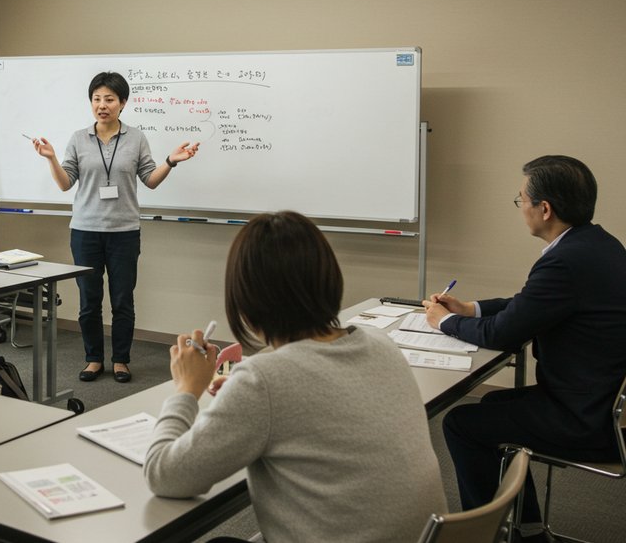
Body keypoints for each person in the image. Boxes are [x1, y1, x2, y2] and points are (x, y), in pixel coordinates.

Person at [145, 211, 445, 543]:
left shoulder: (264, 381)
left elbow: (165, 475)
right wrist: (250, 393)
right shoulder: (379, 341)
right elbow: (317, 394)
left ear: (246, 301)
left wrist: (186, 389)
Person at [424, 155, 626, 542]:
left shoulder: (565, 262)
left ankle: (489, 535)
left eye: (522, 201)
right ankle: (526, 528)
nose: (522, 210)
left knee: (460, 425)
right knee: (489, 407)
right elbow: (528, 304)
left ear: (544, 208)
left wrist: (443, 322)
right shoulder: (597, 245)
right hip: (598, 400)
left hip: (585, 418)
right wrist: (471, 309)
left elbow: (503, 334)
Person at [32, 71, 199, 383]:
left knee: (123, 300)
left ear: (123, 103)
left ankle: (121, 360)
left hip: (123, 232)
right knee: (88, 301)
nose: (102, 105)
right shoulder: (79, 139)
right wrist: (51, 158)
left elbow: (150, 179)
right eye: (96, 99)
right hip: (85, 231)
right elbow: (66, 183)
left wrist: (171, 161)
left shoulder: (135, 138)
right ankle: (93, 359)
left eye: (109, 99)